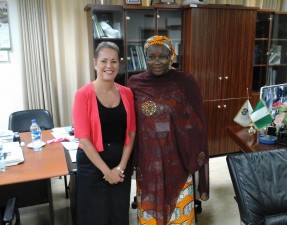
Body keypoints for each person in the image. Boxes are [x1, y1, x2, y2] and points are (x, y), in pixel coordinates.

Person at [127, 35, 209, 225]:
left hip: (178, 158)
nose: (156, 62)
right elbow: (129, 121)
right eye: (151, 56)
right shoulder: (135, 83)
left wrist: (179, 127)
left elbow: (197, 121)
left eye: (162, 56)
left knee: (178, 215)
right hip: (148, 161)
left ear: (172, 56)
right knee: (151, 215)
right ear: (144, 57)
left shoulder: (185, 82)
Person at [72, 41, 136, 225]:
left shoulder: (127, 93)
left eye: (114, 61)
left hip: (120, 162)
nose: (109, 66)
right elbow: (83, 139)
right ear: (95, 63)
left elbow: (131, 132)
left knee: (118, 213)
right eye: (104, 61)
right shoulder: (83, 94)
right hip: (92, 163)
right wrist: (106, 172)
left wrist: (121, 167)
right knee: (94, 215)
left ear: (119, 64)